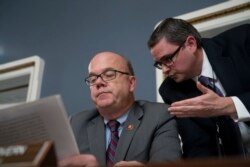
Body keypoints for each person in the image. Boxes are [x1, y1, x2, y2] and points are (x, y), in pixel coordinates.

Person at [147, 18, 250, 158]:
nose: (164, 70)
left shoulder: (243, 41)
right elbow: (198, 146)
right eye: (159, 63)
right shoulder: (171, 90)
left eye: (168, 59)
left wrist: (230, 105)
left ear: (190, 44)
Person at [59, 51, 181, 167]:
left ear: (131, 83)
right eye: (93, 79)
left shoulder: (159, 116)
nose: (99, 83)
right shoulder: (75, 123)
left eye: (109, 75)